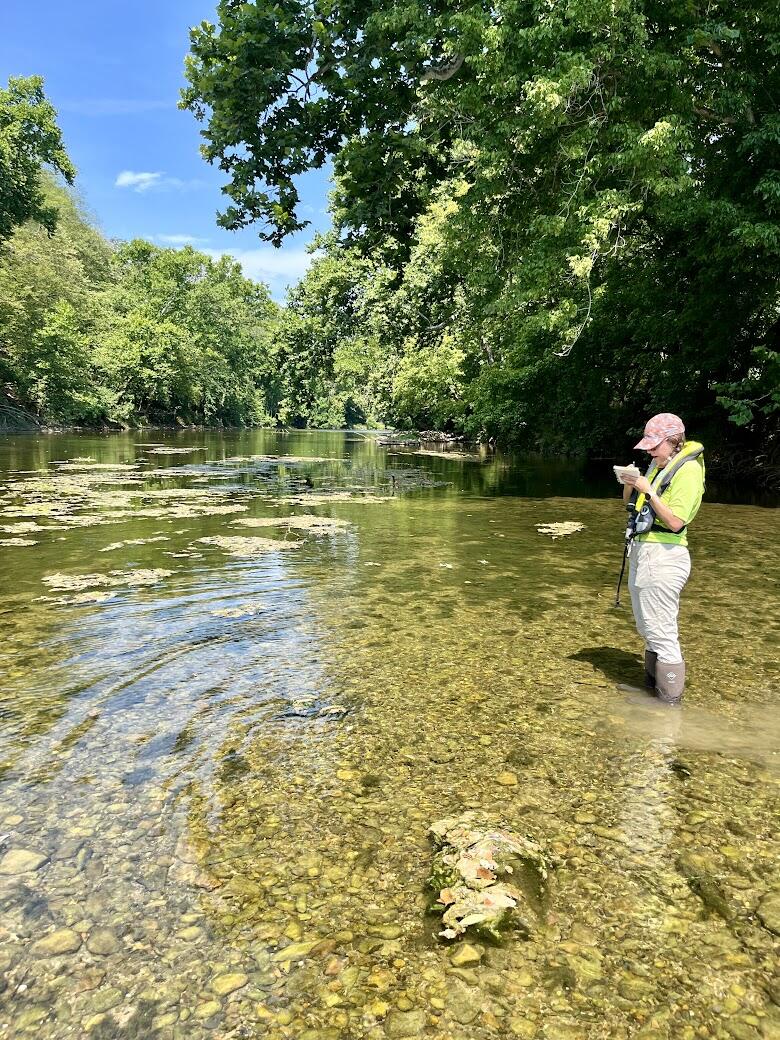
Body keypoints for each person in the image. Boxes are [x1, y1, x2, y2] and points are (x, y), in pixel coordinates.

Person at [621, 414, 705, 705]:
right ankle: (652, 695)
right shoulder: (660, 465)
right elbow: (632, 506)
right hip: (645, 553)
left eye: (655, 446)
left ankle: (669, 708)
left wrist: (649, 490)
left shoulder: (689, 470)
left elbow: (675, 521)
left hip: (665, 557)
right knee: (648, 627)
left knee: (662, 631)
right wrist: (631, 484)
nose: (650, 451)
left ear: (674, 442)